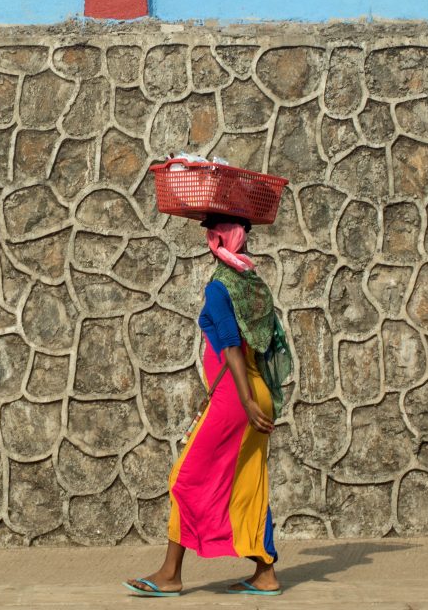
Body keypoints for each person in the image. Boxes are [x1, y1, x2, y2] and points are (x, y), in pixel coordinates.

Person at [125, 215, 280, 597]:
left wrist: (242, 399)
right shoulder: (253, 283)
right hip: (257, 393)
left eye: (211, 234)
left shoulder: (219, 286)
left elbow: (229, 344)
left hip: (236, 398)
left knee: (185, 477)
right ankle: (266, 573)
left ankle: (170, 573)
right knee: (247, 482)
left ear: (218, 240)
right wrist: (253, 397)